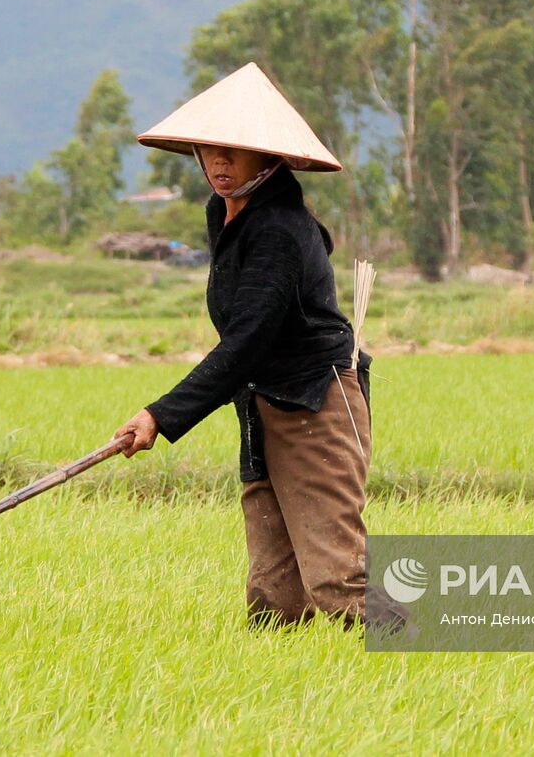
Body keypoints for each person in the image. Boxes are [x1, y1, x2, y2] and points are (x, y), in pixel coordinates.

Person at [113, 62, 401, 632]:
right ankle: (282, 703)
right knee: (274, 594)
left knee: (339, 581)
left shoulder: (279, 230)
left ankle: (425, 673)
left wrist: (161, 415)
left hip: (314, 403)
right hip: (263, 404)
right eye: (210, 150)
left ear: (267, 157)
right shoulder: (226, 216)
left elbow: (245, 341)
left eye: (235, 152)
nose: (220, 163)